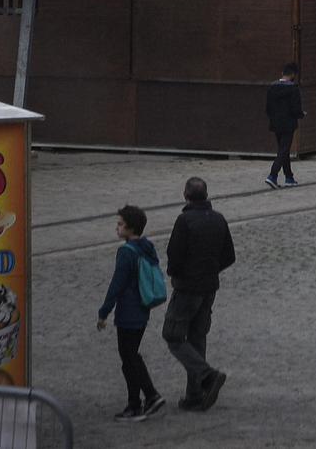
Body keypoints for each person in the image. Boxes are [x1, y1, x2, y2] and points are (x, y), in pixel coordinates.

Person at [163, 177, 235, 412]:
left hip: (187, 288)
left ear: (185, 196)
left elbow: (174, 257)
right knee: (197, 337)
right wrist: (211, 270)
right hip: (209, 287)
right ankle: (194, 394)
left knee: (173, 336)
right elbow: (229, 256)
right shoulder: (218, 219)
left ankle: (207, 376)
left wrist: (180, 274)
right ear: (206, 195)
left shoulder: (184, 221)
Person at [98, 205, 164, 421]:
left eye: (120, 224)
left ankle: (144, 400)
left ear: (131, 227)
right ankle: (139, 402)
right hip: (143, 309)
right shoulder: (147, 247)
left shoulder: (126, 252)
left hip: (128, 312)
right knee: (131, 356)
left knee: (129, 359)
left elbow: (116, 285)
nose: (116, 228)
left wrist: (103, 312)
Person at [264, 62, 304, 189]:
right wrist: (301, 115)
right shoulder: (293, 89)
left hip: (276, 123)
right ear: (293, 75)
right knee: (283, 150)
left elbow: (268, 108)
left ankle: (289, 177)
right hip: (288, 123)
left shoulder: (272, 88)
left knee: (283, 149)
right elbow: (296, 109)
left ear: (282, 73)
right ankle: (272, 175)